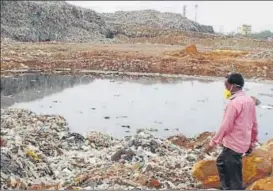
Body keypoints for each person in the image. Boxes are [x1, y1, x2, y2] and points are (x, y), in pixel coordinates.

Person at [204, 72, 258, 190]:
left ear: (232, 86)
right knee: (222, 163)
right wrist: (251, 143)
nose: (225, 88)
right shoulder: (249, 101)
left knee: (233, 177)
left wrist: (212, 143)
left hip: (234, 145)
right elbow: (254, 124)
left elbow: (226, 126)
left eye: (226, 85)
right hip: (243, 143)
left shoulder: (234, 103)